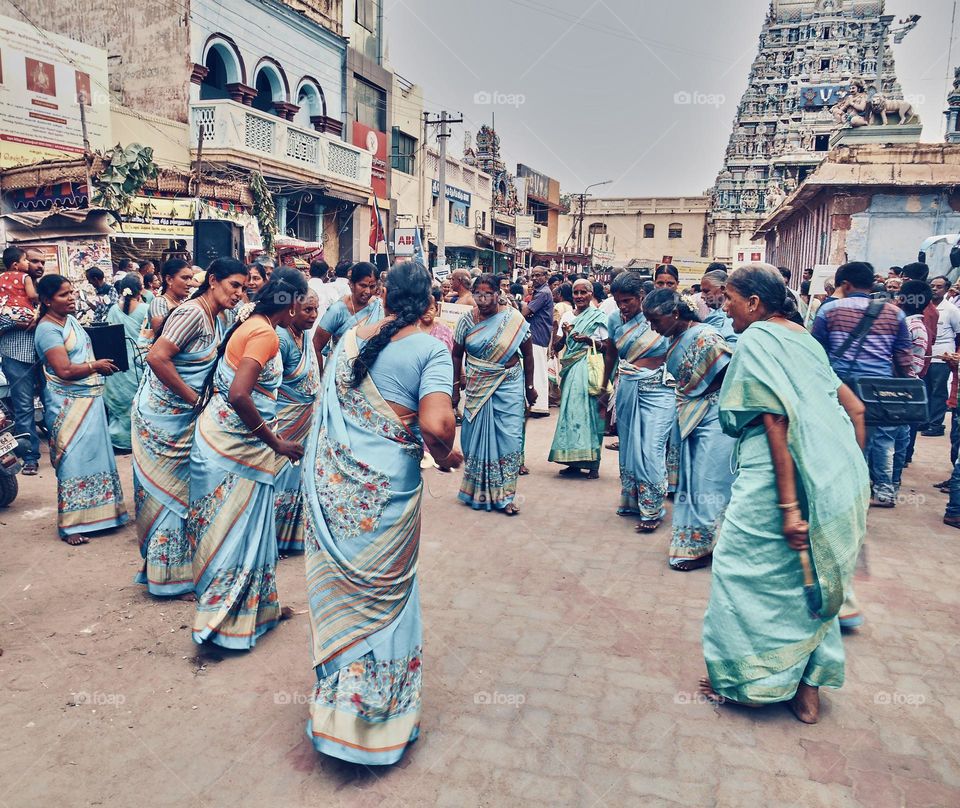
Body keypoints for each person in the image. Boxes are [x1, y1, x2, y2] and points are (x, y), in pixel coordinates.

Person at [301, 261, 460, 765]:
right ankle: (378, 724)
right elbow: (437, 424)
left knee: (349, 595)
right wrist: (446, 456)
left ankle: (337, 713)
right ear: (429, 303)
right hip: (387, 496)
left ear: (384, 297)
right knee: (389, 597)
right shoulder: (431, 349)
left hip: (338, 493)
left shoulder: (352, 340)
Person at [699, 263, 868, 724]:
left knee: (739, 572)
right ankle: (808, 688)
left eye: (729, 298)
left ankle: (747, 681)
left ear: (754, 303)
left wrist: (790, 506)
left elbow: (777, 423)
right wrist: (836, 476)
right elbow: (855, 408)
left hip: (775, 479)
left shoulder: (756, 339)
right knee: (810, 576)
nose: (723, 305)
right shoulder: (803, 337)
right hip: (830, 471)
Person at [189, 269, 307, 649]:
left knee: (246, 531)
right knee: (233, 533)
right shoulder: (265, 334)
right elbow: (240, 394)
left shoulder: (256, 325)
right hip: (232, 448)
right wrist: (276, 443)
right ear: (288, 305)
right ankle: (222, 625)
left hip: (230, 444)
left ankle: (257, 609)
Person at [132, 258, 247, 598]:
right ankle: (165, 581)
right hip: (161, 419)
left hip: (184, 417)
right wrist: (195, 399)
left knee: (183, 492)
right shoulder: (192, 313)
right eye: (234, 285)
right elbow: (157, 357)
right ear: (213, 281)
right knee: (168, 495)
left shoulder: (219, 316)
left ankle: (178, 572)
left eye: (243, 287)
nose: (239, 293)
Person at [644, 289, 734, 571]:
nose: (652, 327)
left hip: (714, 418)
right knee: (694, 482)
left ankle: (713, 544)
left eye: (656, 321)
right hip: (693, 416)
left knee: (711, 482)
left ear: (675, 314)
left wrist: (699, 399)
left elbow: (726, 374)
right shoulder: (676, 338)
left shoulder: (705, 336)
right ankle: (694, 543)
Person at [34, 275, 129, 544]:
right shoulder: (48, 330)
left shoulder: (70, 321)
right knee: (72, 459)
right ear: (46, 300)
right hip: (66, 404)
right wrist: (94, 366)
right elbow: (63, 370)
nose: (72, 298)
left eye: (72, 292)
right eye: (64, 295)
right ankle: (72, 525)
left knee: (96, 455)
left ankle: (107, 514)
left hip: (89, 399)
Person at [812, 261, 914, 508]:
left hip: (842, 387)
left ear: (845, 284)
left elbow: (817, 352)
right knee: (883, 440)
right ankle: (884, 491)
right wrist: (906, 383)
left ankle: (845, 492)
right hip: (881, 388)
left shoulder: (829, 311)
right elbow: (903, 355)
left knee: (843, 438)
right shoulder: (895, 313)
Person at [454, 274, 536, 515]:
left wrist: (530, 387)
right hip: (478, 386)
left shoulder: (514, 319)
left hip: (508, 384)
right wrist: (454, 388)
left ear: (497, 293)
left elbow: (528, 354)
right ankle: (476, 491)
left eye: (488, 293)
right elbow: (456, 354)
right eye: (478, 293)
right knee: (473, 440)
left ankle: (506, 496)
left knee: (508, 439)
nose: (483, 298)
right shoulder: (466, 321)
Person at [599, 272, 673, 531]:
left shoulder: (657, 316)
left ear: (641, 296)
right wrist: (603, 387)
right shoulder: (613, 320)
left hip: (659, 389)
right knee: (629, 446)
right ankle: (632, 500)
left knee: (651, 448)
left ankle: (652, 509)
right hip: (627, 388)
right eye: (618, 301)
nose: (623, 306)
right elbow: (610, 354)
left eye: (628, 301)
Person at [274, 290, 320, 555]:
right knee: (281, 478)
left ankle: (290, 538)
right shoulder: (280, 339)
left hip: (304, 419)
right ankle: (274, 538)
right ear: (292, 309)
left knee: (297, 477)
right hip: (285, 420)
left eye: (316, 310)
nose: (313, 316)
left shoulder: (303, 335)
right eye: (308, 311)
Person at [547, 278, 608, 478]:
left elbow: (608, 347)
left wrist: (588, 340)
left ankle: (593, 465)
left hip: (588, 368)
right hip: (570, 369)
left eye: (584, 292)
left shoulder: (598, 317)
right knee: (570, 414)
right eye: (576, 293)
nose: (579, 296)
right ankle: (572, 462)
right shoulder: (566, 316)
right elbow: (557, 347)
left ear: (591, 294)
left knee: (590, 413)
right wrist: (565, 335)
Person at [0, 246, 43, 475]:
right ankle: (30, 457)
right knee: (24, 407)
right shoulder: (27, 286)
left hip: (43, 353)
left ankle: (62, 448)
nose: (37, 265)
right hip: (15, 353)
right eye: (31, 260)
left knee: (54, 402)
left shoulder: (48, 291)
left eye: (40, 262)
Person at [104, 273, 148, 452]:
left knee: (118, 405)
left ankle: (118, 440)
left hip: (118, 363)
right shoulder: (146, 308)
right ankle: (135, 440)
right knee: (136, 403)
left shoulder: (114, 309)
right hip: (138, 363)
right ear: (141, 289)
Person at [312, 262, 384, 373]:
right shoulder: (338, 310)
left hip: (370, 375)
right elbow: (316, 346)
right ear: (351, 284)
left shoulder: (379, 307)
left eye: (372, 286)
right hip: (339, 376)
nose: (368, 291)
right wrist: (321, 379)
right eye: (363, 285)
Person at [894, 281, 931, 492]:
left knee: (894, 437)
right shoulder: (914, 324)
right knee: (899, 436)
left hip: (902, 386)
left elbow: (906, 362)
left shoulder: (909, 326)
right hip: (906, 385)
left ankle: (890, 482)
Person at [920, 276, 960, 437]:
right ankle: (923, 420)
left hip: (942, 356)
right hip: (925, 355)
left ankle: (935, 424)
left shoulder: (951, 310)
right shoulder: (924, 307)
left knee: (938, 391)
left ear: (946, 289)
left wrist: (953, 354)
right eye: (932, 286)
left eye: (939, 287)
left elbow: (958, 334)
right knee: (925, 389)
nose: (934, 289)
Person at [521, 265, 553, 417]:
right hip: (538, 334)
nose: (534, 278)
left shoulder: (543, 293)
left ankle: (539, 407)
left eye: (538, 275)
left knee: (537, 370)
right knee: (537, 370)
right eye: (532, 275)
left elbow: (525, 313)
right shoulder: (541, 292)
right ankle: (537, 405)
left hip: (537, 335)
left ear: (545, 277)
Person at [140, 258, 192, 345]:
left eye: (190, 278)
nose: (189, 283)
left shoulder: (183, 302)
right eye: (185, 278)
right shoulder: (159, 303)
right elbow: (162, 335)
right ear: (169, 280)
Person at [699, 268, 737, 346]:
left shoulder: (730, 314)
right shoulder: (715, 312)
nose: (702, 296)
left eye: (706, 291)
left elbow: (732, 344)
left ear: (723, 289)